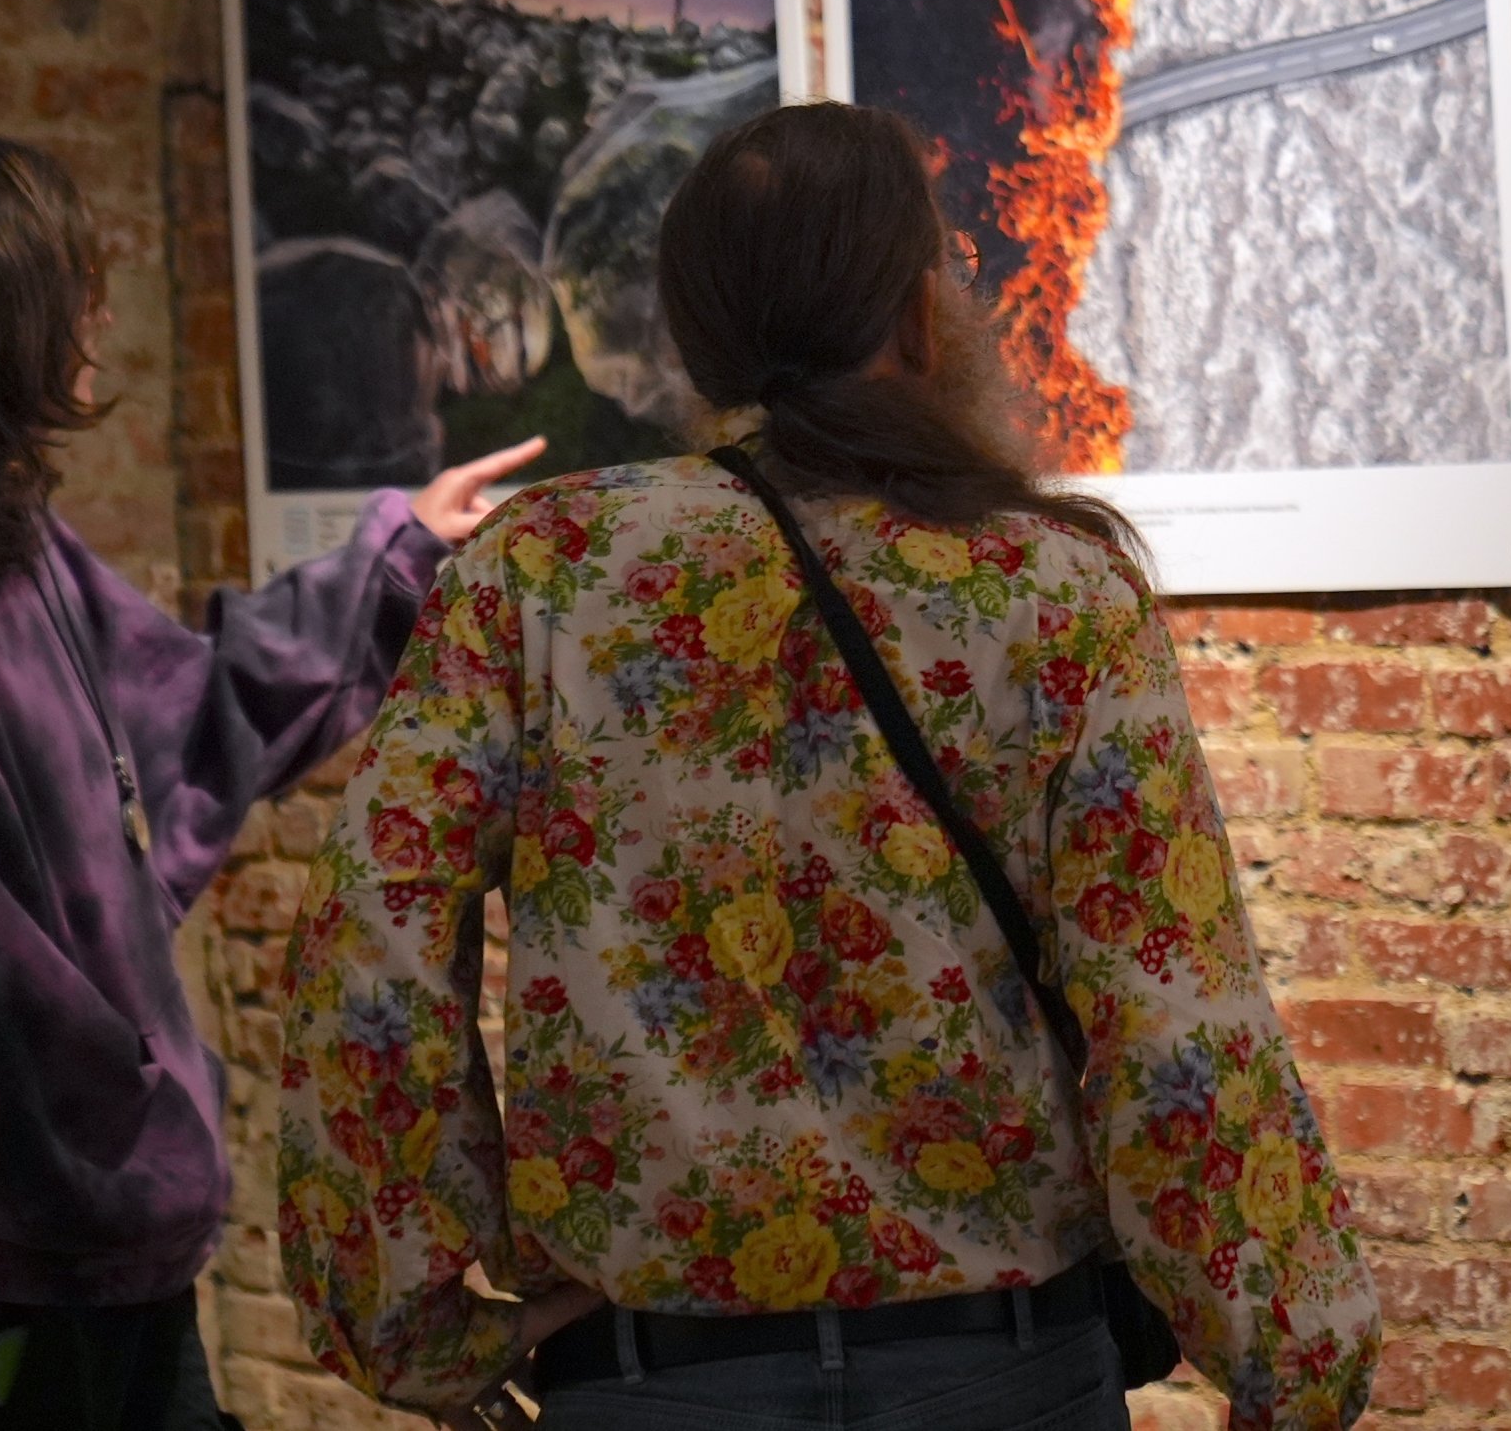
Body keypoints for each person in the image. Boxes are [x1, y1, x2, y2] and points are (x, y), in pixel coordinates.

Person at [278, 100, 1377, 1431]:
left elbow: (368, 944)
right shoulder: (1054, 591)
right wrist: (1293, 1360)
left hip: (653, 1377)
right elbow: (1174, 1014)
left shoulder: (543, 569)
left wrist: (407, 1322)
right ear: (921, 314)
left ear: (698, 338)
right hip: (1001, 1371)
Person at [0, 130, 545, 1429]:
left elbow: (184, 702)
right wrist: (133, 1168)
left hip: (78, 1251)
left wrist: (398, 552)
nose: (96, 313)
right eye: (65, 282)